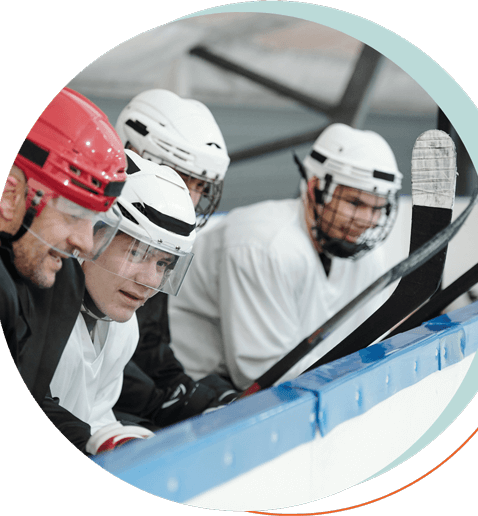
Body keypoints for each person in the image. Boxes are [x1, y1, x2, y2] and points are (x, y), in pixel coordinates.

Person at [168, 123, 404, 390]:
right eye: (355, 203)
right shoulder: (262, 244)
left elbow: (367, 343)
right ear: (316, 188)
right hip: (194, 386)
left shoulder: (367, 257)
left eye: (377, 208)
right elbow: (260, 372)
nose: (367, 220)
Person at [49, 151, 197, 454]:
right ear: (92, 234)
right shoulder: (33, 316)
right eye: (136, 253)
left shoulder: (124, 328)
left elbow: (95, 418)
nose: (150, 280)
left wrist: (125, 442)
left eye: (163, 264)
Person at [0, 87, 127, 415]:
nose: (86, 243)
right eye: (74, 214)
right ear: (10, 197)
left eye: (93, 220)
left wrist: (92, 439)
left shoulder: (61, 282)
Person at [111, 89, 238, 430]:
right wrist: (173, 402)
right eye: (181, 178)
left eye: (200, 186)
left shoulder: (162, 245)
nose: (192, 199)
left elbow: (151, 346)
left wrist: (188, 393)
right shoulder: (89, 237)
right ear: (131, 155)